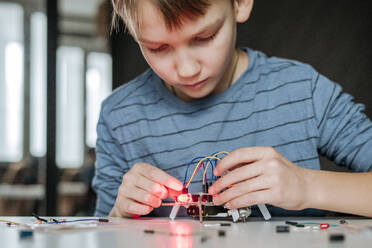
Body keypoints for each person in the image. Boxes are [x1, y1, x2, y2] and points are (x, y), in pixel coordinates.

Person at [92, 0, 372, 218]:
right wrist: (121, 212)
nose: (187, 69)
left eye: (204, 37)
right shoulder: (119, 116)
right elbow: (104, 229)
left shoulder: (304, 91)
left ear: (240, 3)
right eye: (158, 47)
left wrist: (307, 186)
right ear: (129, 24)